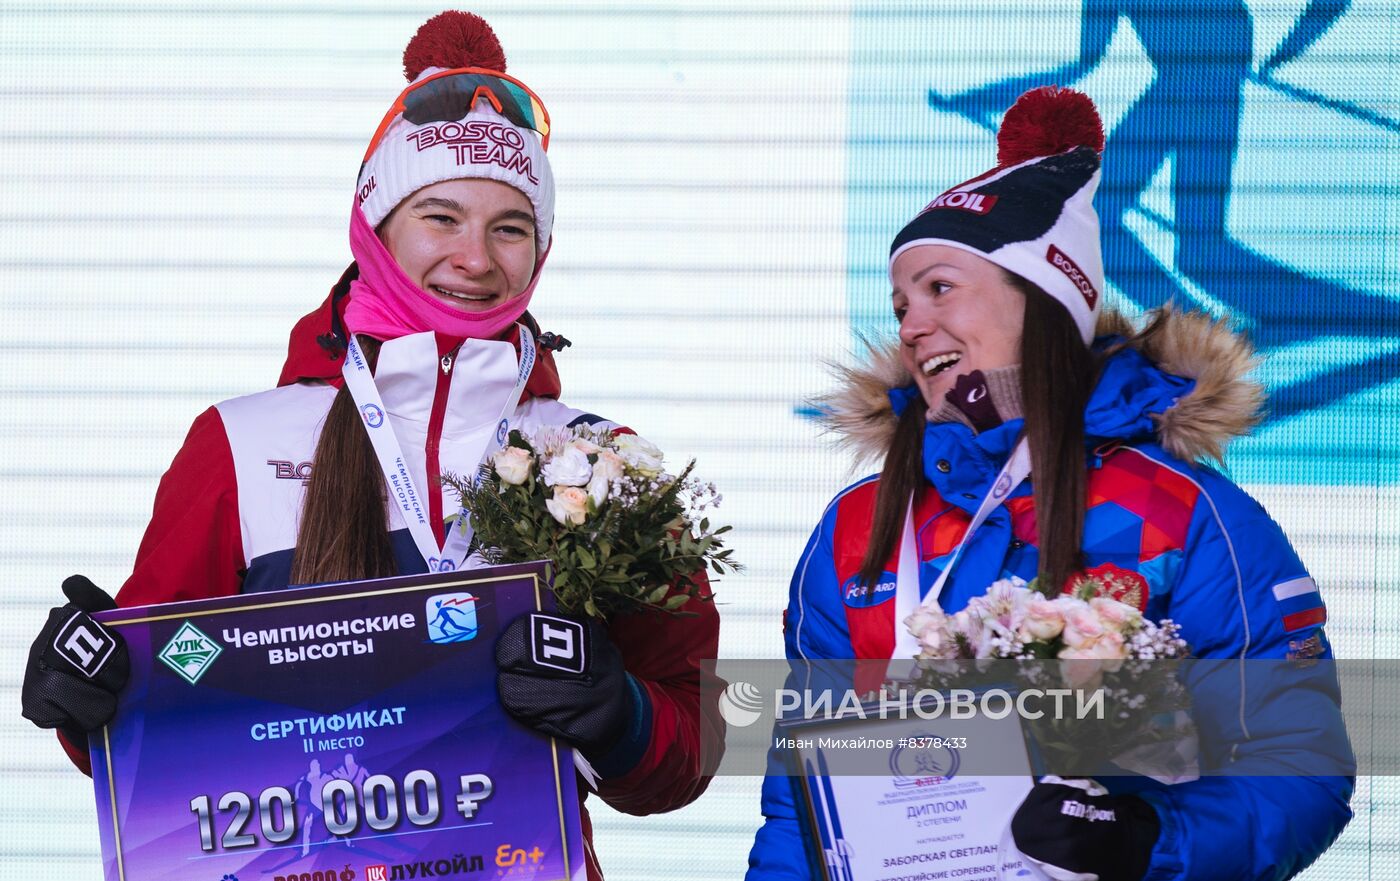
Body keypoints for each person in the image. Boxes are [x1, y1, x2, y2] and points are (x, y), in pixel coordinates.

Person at [20, 11, 721, 880]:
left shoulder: (606, 463)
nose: (475, 257)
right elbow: (154, 734)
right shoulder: (239, 442)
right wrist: (85, 702)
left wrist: (619, 713)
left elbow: (700, 743)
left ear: (541, 247)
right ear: (376, 226)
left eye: (510, 226)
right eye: (440, 216)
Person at [746, 87, 1352, 881]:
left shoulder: (1182, 511)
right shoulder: (859, 525)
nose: (911, 324)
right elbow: (806, 803)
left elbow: (1300, 757)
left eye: (939, 288)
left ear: (1043, 297)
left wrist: (1146, 839)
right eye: (900, 303)